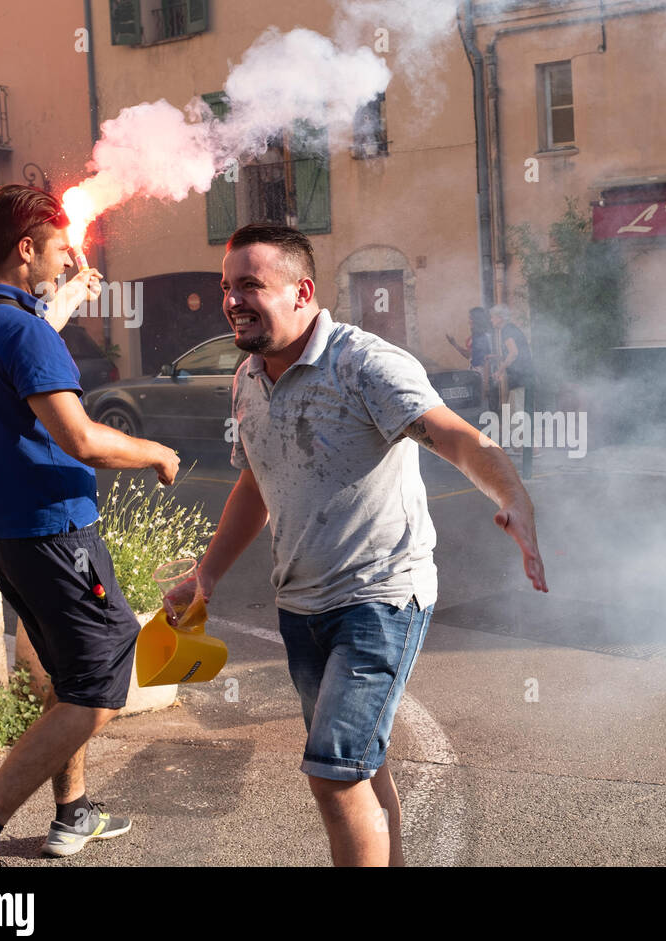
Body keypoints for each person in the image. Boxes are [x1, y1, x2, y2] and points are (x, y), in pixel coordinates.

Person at [167, 224, 547, 867]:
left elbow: (457, 439)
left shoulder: (364, 363)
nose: (232, 300)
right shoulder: (248, 379)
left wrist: (514, 500)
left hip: (380, 597)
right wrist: (206, 576)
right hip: (301, 607)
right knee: (362, 769)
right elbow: (255, 482)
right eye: (227, 286)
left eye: (250, 286)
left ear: (301, 291)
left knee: (334, 771)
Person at [0, 184, 181, 867]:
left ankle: (73, 813)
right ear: (26, 249)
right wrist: (157, 452)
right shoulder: (24, 331)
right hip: (58, 536)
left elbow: (19, 352)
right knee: (102, 682)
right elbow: (83, 440)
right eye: (61, 248)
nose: (71, 257)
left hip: (11, 536)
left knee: (70, 675)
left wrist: (55, 309)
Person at [446, 307, 496, 410]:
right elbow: (469, 355)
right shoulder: (476, 335)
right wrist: (454, 344)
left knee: (482, 403)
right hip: (475, 371)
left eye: (471, 318)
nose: (469, 321)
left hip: (481, 372)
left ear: (477, 319)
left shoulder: (483, 337)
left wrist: (485, 383)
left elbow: (486, 360)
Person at [490, 303, 534, 420]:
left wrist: (499, 371)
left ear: (500, 318)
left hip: (521, 377)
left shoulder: (507, 330)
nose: (491, 319)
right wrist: (498, 357)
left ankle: (522, 438)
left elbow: (514, 353)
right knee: (518, 412)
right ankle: (522, 437)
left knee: (518, 413)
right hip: (523, 377)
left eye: (492, 317)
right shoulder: (510, 329)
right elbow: (513, 352)